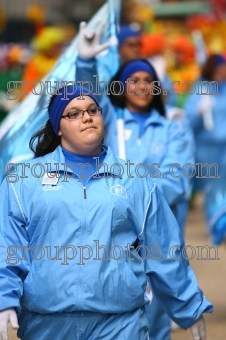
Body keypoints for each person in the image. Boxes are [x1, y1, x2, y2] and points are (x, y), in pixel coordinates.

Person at [0, 84, 212, 340]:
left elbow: (164, 248)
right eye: (74, 113)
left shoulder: (134, 179)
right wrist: (4, 296)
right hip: (46, 325)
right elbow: (8, 245)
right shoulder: (24, 180)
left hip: (120, 323)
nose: (87, 117)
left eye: (92, 110)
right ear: (58, 127)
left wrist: (189, 305)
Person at [76, 23, 198, 340]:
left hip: (158, 233)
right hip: (112, 231)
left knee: (155, 312)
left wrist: (132, 198)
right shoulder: (110, 121)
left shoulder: (173, 126)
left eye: (148, 81)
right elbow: (84, 99)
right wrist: (85, 63)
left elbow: (178, 179)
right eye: (134, 81)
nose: (142, 87)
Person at [184, 53, 226, 245]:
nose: (222, 72)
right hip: (206, 149)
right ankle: (216, 226)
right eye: (219, 68)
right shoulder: (201, 89)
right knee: (212, 189)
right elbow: (187, 121)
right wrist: (197, 111)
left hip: (224, 147)